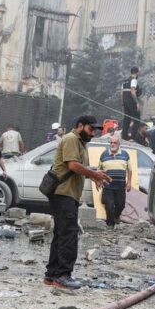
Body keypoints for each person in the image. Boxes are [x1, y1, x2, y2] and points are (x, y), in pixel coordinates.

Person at [44, 115, 110, 290]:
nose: (93, 133)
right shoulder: (71, 139)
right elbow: (73, 165)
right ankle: (63, 276)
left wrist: (93, 174)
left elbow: (79, 168)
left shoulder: (80, 143)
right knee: (69, 234)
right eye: (90, 129)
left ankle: (51, 275)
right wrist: (94, 174)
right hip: (63, 193)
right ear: (80, 126)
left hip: (68, 194)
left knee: (61, 234)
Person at [98, 134, 134, 228]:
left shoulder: (125, 154)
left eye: (115, 142)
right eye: (111, 143)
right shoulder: (104, 154)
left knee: (120, 205)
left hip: (120, 185)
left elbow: (129, 170)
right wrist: (98, 180)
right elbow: (99, 170)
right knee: (109, 205)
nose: (113, 144)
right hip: (108, 186)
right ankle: (110, 224)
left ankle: (116, 217)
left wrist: (129, 182)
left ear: (119, 144)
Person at [120, 67, 141, 140]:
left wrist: (123, 103)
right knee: (137, 120)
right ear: (137, 73)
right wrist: (137, 102)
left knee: (126, 120)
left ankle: (124, 137)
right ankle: (133, 137)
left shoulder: (124, 81)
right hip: (132, 102)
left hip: (126, 103)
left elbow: (122, 93)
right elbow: (133, 91)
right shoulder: (134, 80)